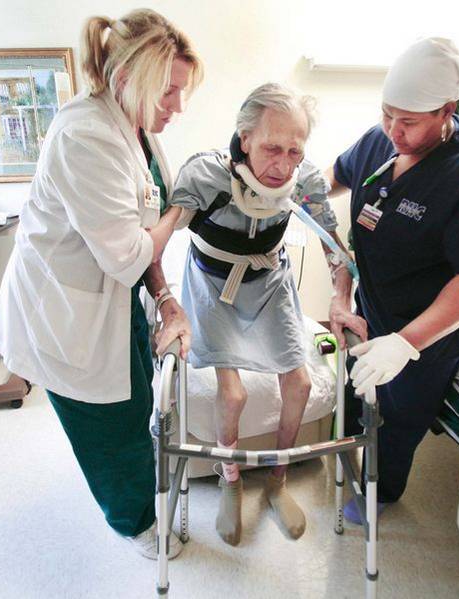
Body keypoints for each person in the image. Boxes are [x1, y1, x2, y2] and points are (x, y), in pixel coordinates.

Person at [0, 9, 202, 559]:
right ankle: (137, 525)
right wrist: (182, 209)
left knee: (135, 402)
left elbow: (143, 226)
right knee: (108, 428)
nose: (178, 106)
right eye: (169, 92)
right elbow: (131, 251)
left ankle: (142, 492)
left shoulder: (135, 126)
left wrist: (165, 297)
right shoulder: (85, 134)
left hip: (114, 297)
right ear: (127, 78)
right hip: (67, 314)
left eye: (181, 91)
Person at [324, 37, 459, 522]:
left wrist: (405, 344)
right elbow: (333, 176)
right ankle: (344, 452)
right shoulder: (380, 141)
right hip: (375, 303)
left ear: (447, 110)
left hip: (430, 327)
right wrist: (285, 187)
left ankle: (381, 492)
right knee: (355, 389)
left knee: (399, 414)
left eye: (408, 122)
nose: (394, 130)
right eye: (387, 114)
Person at [166, 83, 337, 545]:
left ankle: (278, 480)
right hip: (213, 283)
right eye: (271, 148)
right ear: (245, 139)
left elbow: (332, 240)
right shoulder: (206, 175)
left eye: (294, 151)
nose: (283, 165)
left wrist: (341, 293)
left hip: (269, 279)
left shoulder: (304, 180)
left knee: (300, 383)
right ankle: (231, 480)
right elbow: (161, 230)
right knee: (234, 395)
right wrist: (162, 299)